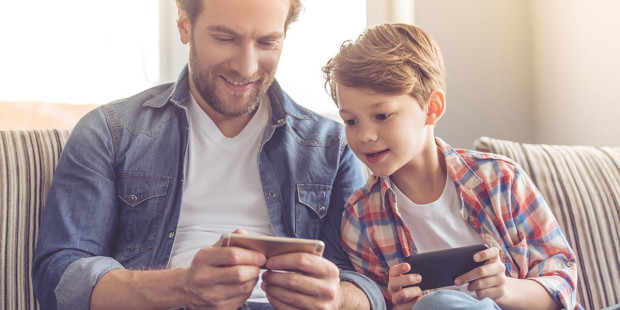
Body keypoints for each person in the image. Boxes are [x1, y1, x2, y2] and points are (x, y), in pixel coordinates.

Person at [31, 0, 386, 309]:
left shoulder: (331, 144)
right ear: (185, 26)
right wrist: (181, 287)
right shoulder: (109, 132)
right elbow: (60, 278)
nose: (246, 68)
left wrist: (338, 298)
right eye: (225, 38)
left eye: (266, 42)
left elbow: (368, 282)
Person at [322, 23, 581, 310]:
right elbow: (378, 301)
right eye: (351, 121)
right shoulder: (360, 218)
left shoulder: (500, 179)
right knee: (438, 304)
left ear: (431, 108)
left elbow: (562, 283)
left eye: (382, 115)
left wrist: (504, 289)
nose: (365, 135)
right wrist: (398, 304)